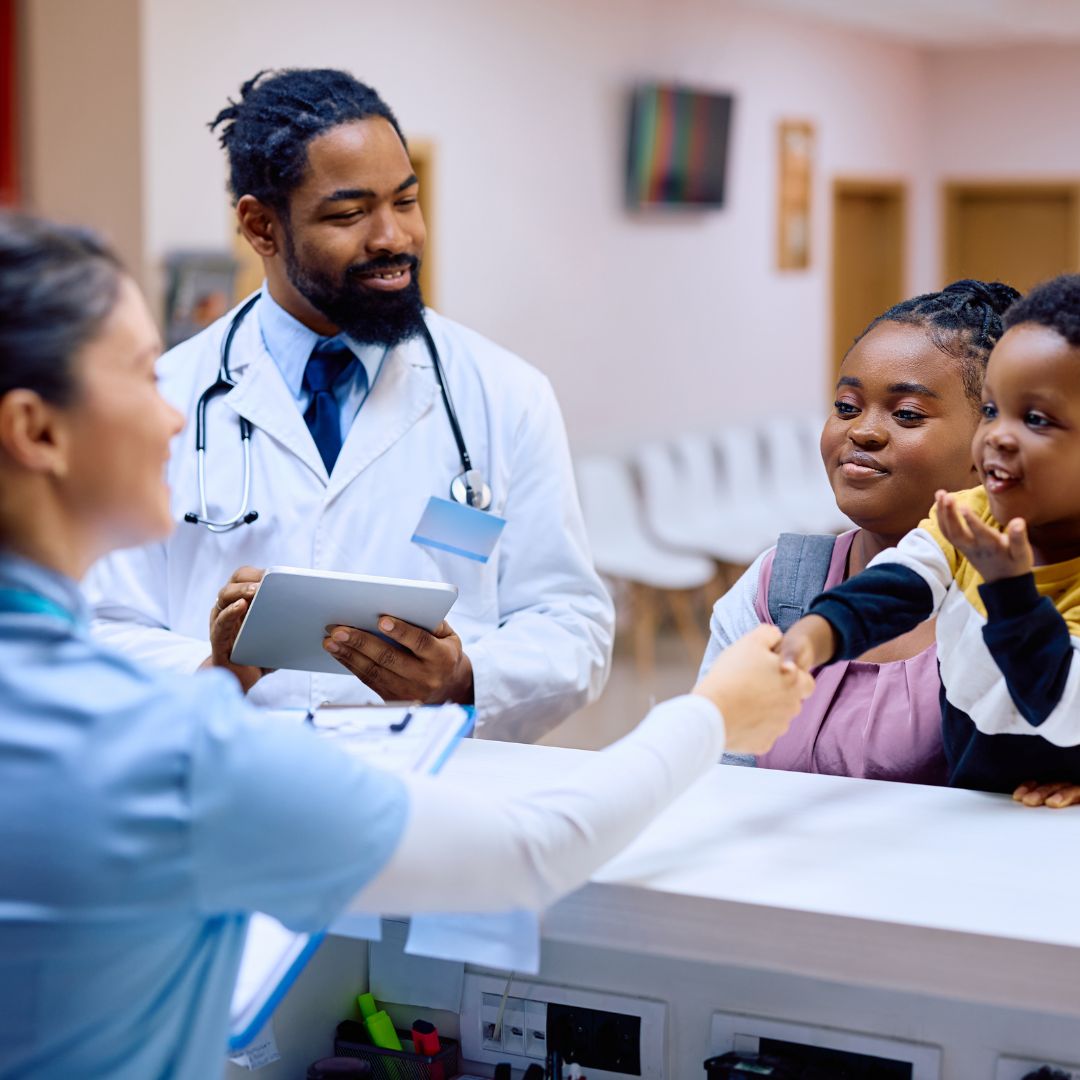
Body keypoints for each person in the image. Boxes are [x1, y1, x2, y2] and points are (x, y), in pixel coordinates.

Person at [0, 213, 812, 1079]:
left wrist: (459, 673)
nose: (175, 414)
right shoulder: (158, 745)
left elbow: (568, 622)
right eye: (138, 374)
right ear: (38, 431)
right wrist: (712, 715)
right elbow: (526, 855)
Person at [83, 69, 613, 742]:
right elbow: (101, 626)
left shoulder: (504, 394)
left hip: (438, 794)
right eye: (348, 213)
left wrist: (463, 677)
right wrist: (211, 671)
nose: (394, 237)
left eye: (407, 201)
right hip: (234, 780)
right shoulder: (164, 398)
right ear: (260, 226)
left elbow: (572, 624)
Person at [699, 280, 1018, 783]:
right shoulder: (778, 587)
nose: (862, 432)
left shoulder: (1030, 601)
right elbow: (718, 773)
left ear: (995, 443)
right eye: (847, 406)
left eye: (907, 414)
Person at [780, 273, 1080, 797]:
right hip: (969, 820)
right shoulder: (968, 516)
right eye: (991, 410)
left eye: (1034, 418)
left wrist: (1010, 592)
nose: (998, 436)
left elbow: (1060, 703)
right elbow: (897, 585)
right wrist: (819, 632)